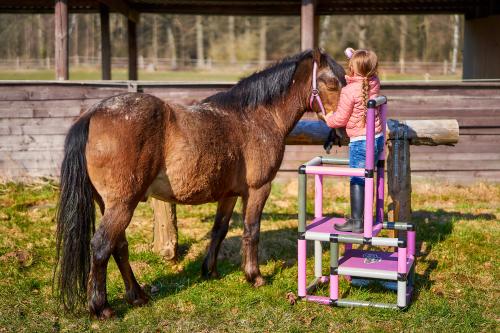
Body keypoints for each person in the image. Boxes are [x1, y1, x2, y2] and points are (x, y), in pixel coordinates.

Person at [324, 48, 384, 233]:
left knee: (357, 179)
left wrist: (328, 118)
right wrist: (354, 55)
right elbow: (364, 68)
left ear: (352, 68)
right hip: (377, 138)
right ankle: (362, 217)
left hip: (360, 142)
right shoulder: (374, 82)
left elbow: (340, 120)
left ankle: (357, 221)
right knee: (367, 177)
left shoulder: (349, 91)